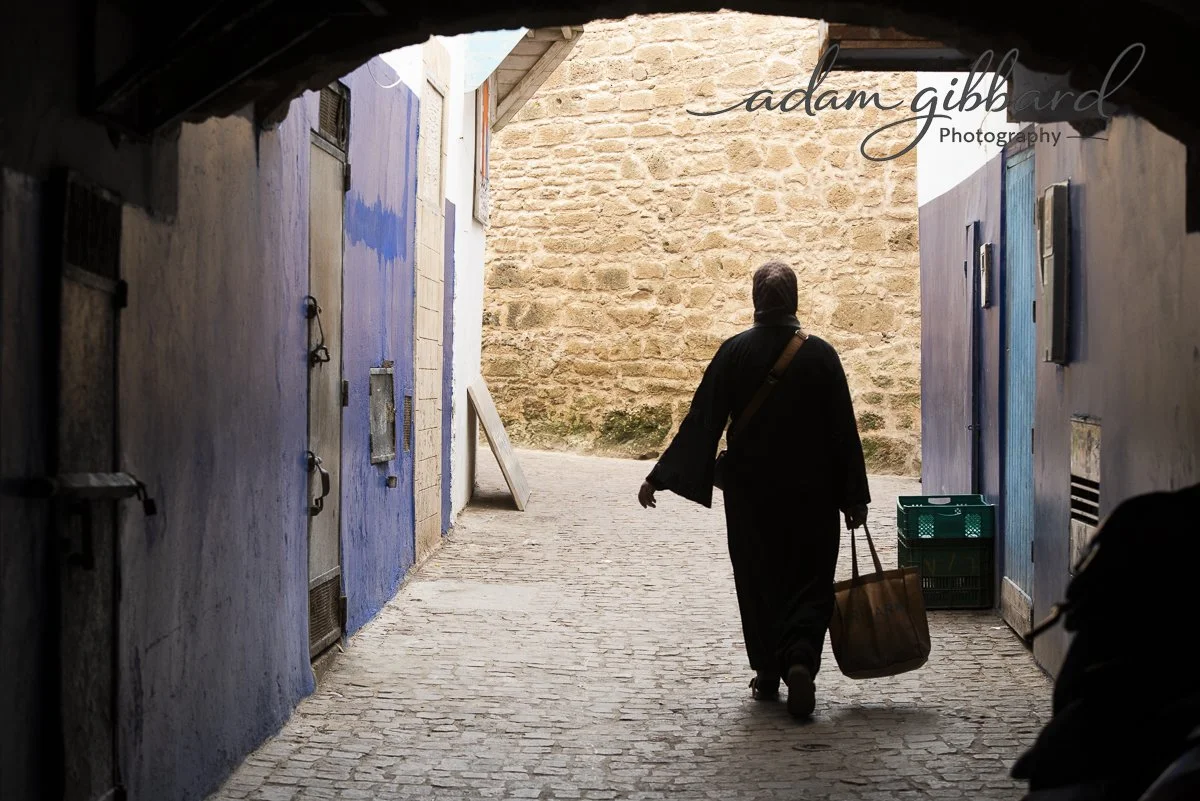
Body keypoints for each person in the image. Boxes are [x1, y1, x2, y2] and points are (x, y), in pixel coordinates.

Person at [637, 261, 870, 719]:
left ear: (756, 299)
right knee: (810, 578)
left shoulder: (734, 352)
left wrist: (659, 476)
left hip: (751, 495)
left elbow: (703, 420)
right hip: (813, 494)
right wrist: (854, 497)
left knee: (758, 578)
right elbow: (843, 430)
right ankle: (799, 658)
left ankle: (766, 671)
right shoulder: (821, 355)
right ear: (794, 299)